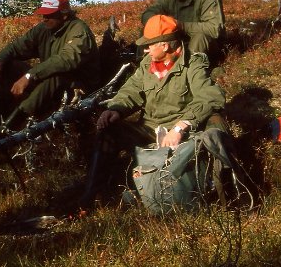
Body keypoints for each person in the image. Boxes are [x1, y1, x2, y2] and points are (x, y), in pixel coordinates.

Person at [83, 14, 228, 206]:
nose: (145, 50)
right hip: (149, 131)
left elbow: (211, 96)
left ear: (165, 45)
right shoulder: (146, 64)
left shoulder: (193, 63)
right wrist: (116, 109)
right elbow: (131, 90)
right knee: (108, 131)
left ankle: (228, 191)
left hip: (183, 134)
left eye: (149, 45)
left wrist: (180, 127)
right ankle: (92, 197)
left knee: (216, 123)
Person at [0, 0, 101, 139]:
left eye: (49, 15)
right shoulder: (44, 28)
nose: (44, 18)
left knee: (55, 76)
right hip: (53, 84)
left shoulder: (79, 31)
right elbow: (18, 47)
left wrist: (29, 76)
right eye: (43, 14)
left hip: (80, 88)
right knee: (9, 65)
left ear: (64, 15)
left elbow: (65, 60)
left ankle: (10, 125)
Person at [141, 0, 225, 60]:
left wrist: (181, 25)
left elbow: (214, 29)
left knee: (200, 37)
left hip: (207, 47)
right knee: (149, 29)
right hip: (179, 42)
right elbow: (147, 14)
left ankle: (191, 70)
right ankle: (144, 66)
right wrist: (158, 22)